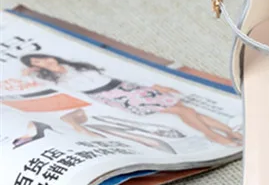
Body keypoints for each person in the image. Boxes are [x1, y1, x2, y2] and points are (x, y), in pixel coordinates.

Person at [19, 54, 242, 146]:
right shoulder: (55, 79)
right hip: (111, 95)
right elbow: (32, 82)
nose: (44, 62)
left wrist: (152, 85)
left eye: (42, 58)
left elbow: (113, 74)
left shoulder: (76, 64)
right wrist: (30, 73)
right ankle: (216, 135)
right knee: (180, 110)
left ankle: (226, 132)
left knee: (184, 108)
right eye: (37, 63)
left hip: (124, 86)